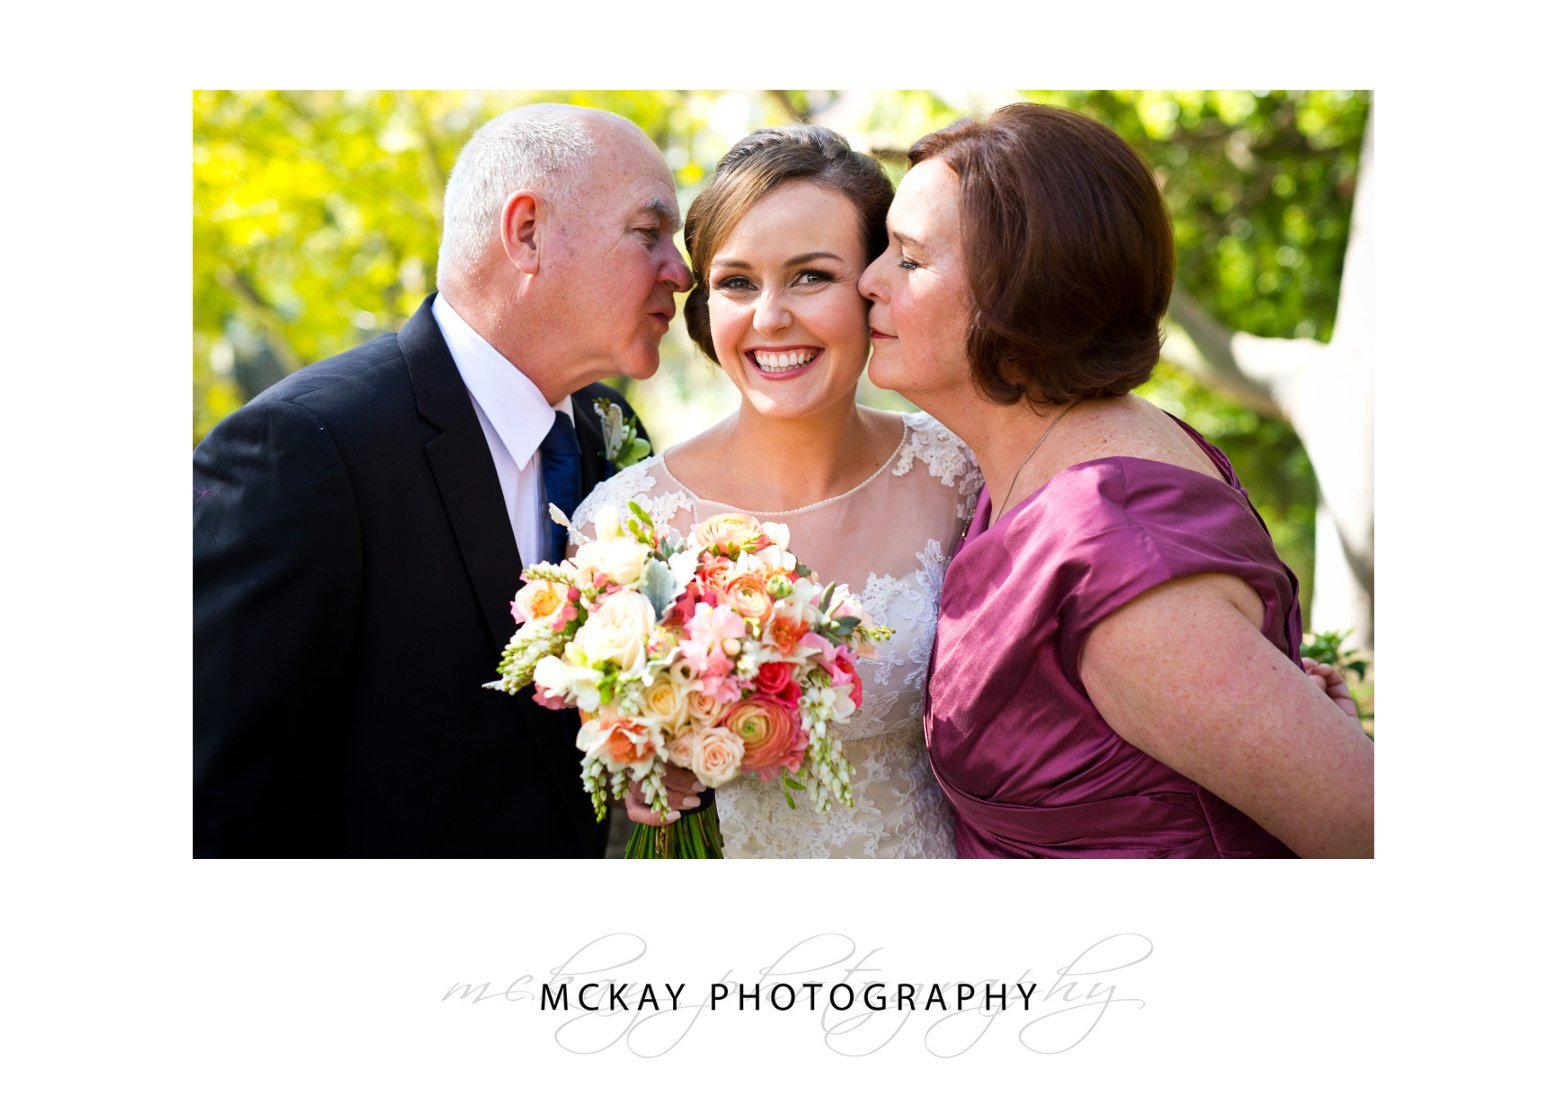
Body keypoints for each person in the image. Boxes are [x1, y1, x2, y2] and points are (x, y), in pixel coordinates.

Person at [857, 103, 1373, 858]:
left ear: (1019, 289)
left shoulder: (1113, 547)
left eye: (907, 257)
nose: (868, 280)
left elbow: (1365, 828)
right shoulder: (1041, 455)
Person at [194, 104, 692, 857]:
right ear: (526, 232)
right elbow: (216, 801)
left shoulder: (607, 437)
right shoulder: (303, 449)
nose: (680, 273)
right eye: (648, 233)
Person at [575, 125, 980, 858]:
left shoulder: (959, 475)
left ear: (875, 288)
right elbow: (602, 770)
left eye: (810, 276)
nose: (768, 318)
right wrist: (639, 775)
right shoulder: (623, 526)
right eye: (735, 282)